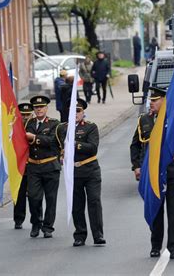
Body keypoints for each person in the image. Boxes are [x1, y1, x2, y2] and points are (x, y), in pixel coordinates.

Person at [129, 87, 174, 259]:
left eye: (155, 100)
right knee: (155, 208)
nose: (151, 103)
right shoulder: (145, 120)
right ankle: (155, 245)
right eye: (150, 100)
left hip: (172, 169)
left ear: (164, 101)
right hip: (153, 171)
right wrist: (136, 166)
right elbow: (135, 145)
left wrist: (166, 136)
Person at [56, 98, 106, 247]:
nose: (76, 114)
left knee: (94, 201)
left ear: (83, 112)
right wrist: (61, 154)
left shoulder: (91, 127)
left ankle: (98, 235)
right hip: (73, 171)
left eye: (78, 111)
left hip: (90, 170)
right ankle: (80, 235)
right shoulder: (62, 128)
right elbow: (57, 145)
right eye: (73, 111)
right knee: (76, 205)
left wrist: (74, 144)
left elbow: (92, 147)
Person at [25, 95, 61, 238]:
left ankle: (48, 227)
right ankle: (35, 223)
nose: (39, 109)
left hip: (50, 166)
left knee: (51, 199)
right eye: (36, 108)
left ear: (46, 108)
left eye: (41, 107)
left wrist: (33, 138)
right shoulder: (29, 124)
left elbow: (53, 141)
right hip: (33, 167)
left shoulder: (54, 124)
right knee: (34, 198)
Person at [14, 103, 35, 230]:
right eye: (23, 115)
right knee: (19, 195)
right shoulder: (15, 128)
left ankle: (36, 220)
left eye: (28, 114)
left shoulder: (35, 126)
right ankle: (18, 219)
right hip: (19, 166)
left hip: (33, 166)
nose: (26, 117)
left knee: (34, 195)